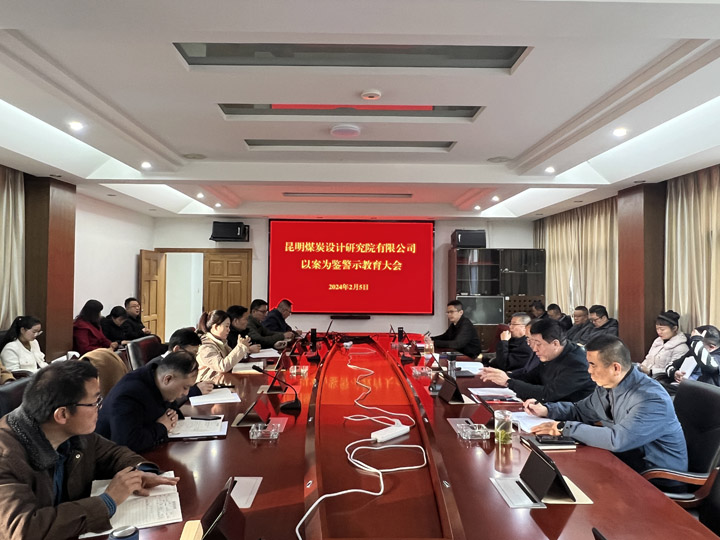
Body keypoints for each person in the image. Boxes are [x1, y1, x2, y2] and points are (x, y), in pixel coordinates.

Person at [0, 361, 178, 539]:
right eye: (94, 402)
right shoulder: (6, 456)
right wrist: (108, 501)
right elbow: (24, 529)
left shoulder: (74, 433)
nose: (100, 408)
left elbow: (113, 454)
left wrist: (139, 472)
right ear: (62, 414)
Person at [527, 335, 688, 474]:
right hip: (623, 463)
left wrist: (563, 428)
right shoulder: (607, 386)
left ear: (615, 368)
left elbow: (617, 440)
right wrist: (547, 409)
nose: (588, 370)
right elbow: (580, 411)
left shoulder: (652, 399)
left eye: (593, 364)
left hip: (655, 477)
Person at [96, 351, 199, 453]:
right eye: (185, 387)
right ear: (167, 379)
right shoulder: (130, 394)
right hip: (106, 456)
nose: (186, 393)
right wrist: (161, 427)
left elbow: (169, 412)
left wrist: (172, 416)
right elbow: (127, 443)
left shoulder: (156, 379)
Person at [481, 318, 595, 402]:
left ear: (555, 343)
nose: (534, 349)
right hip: (547, 408)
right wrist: (503, 376)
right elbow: (532, 377)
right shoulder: (552, 353)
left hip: (570, 416)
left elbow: (548, 394)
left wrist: (508, 382)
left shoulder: (578, 363)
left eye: (538, 344)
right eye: (532, 342)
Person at [148, 327, 214, 398]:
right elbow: (161, 396)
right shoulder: (157, 367)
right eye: (192, 354)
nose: (194, 358)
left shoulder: (179, 364)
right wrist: (195, 390)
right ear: (177, 349)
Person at [196, 310, 252, 381]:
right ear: (215, 327)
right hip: (208, 384)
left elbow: (231, 358)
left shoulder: (220, 342)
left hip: (221, 380)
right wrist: (240, 348)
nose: (229, 330)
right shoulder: (205, 347)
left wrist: (244, 349)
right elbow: (222, 367)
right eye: (226, 326)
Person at [640, 310, 688, 377]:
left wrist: (650, 371)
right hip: (647, 376)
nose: (659, 332)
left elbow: (673, 370)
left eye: (662, 329)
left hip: (661, 379)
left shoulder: (681, 348)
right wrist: (640, 368)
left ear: (674, 328)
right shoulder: (658, 341)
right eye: (657, 329)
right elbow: (648, 359)